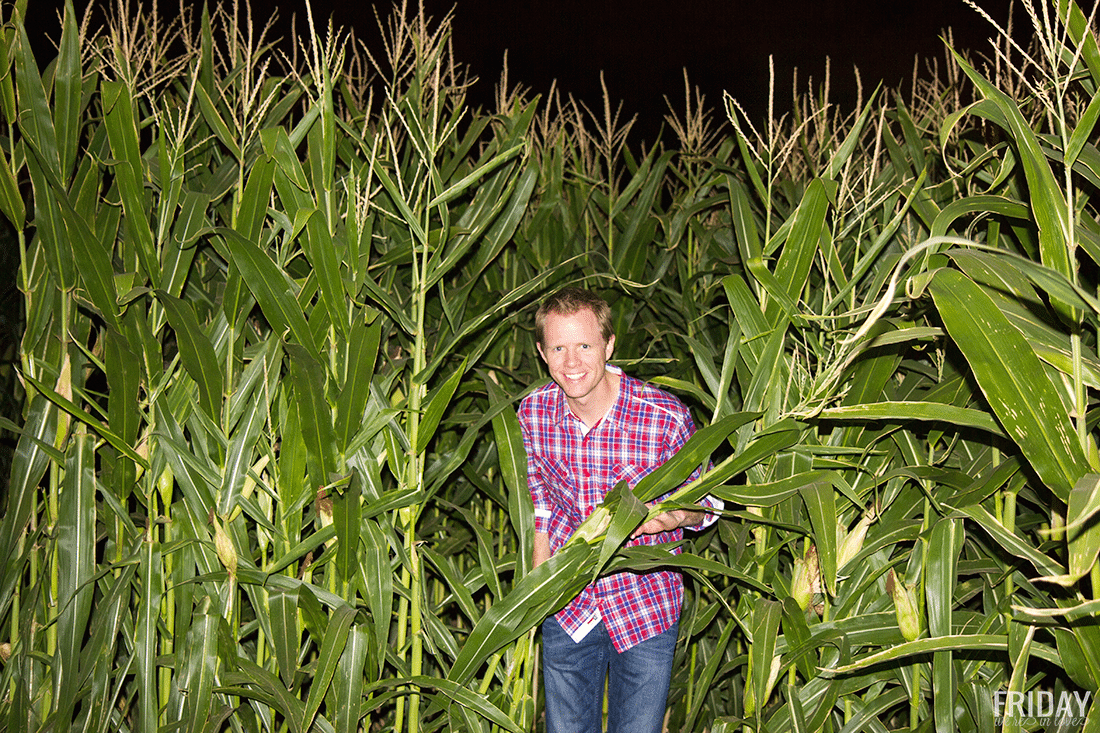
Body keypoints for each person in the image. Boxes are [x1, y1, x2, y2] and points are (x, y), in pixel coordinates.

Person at [517, 286, 723, 733]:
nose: (572, 363)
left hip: (645, 605)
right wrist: (537, 592)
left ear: (609, 345)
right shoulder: (532, 413)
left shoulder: (663, 415)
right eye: (558, 347)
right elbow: (540, 504)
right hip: (567, 605)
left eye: (585, 346)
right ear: (541, 352)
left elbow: (707, 504)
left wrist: (664, 517)